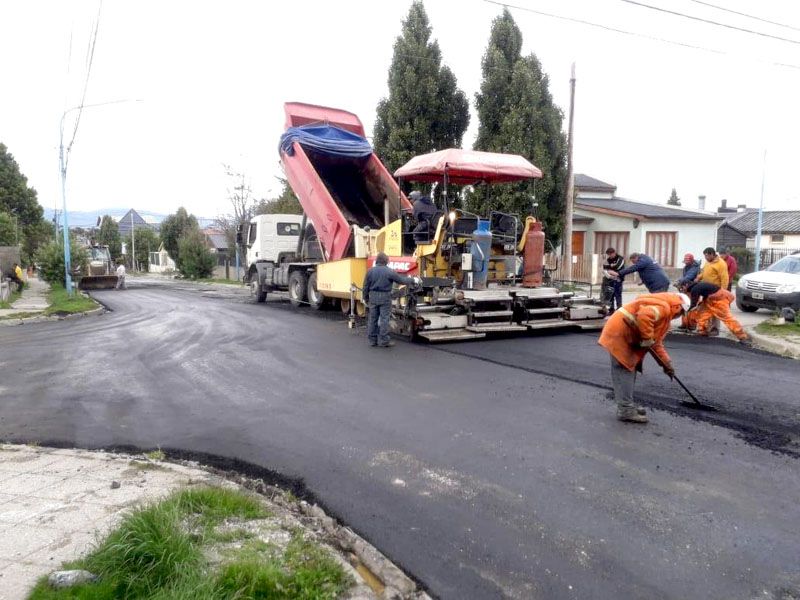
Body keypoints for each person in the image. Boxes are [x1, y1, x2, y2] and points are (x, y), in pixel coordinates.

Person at [598, 292, 690, 423]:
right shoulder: (663, 308)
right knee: (624, 370)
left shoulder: (664, 316)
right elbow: (644, 315)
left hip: (625, 334)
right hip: (620, 334)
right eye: (681, 313)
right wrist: (647, 338)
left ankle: (627, 404)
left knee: (630, 368)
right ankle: (625, 410)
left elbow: (656, 343)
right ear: (678, 307)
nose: (678, 317)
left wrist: (666, 364)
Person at [362, 252, 420, 348]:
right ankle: (384, 341)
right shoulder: (389, 271)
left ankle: (372, 341)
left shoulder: (370, 271)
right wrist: (413, 280)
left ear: (377, 261)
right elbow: (402, 280)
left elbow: (365, 286)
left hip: (373, 297)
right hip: (385, 297)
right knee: (384, 319)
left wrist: (365, 298)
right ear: (386, 261)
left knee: (373, 319)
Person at [694, 247, 729, 336]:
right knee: (704, 309)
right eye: (704, 256)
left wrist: (723, 292)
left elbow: (724, 278)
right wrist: (699, 277)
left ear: (712, 254)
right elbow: (704, 272)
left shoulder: (721, 264)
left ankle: (715, 329)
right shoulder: (708, 262)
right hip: (706, 291)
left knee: (715, 310)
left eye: (707, 256)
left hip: (716, 291)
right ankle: (704, 328)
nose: (705, 257)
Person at [602, 248, 624, 314]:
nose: (610, 256)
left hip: (618, 278)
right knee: (610, 294)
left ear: (614, 253)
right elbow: (604, 266)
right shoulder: (609, 259)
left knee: (618, 294)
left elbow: (618, 266)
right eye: (608, 255)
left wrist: (610, 267)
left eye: (610, 254)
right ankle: (611, 309)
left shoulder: (620, 258)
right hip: (610, 279)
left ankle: (619, 309)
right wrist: (611, 266)